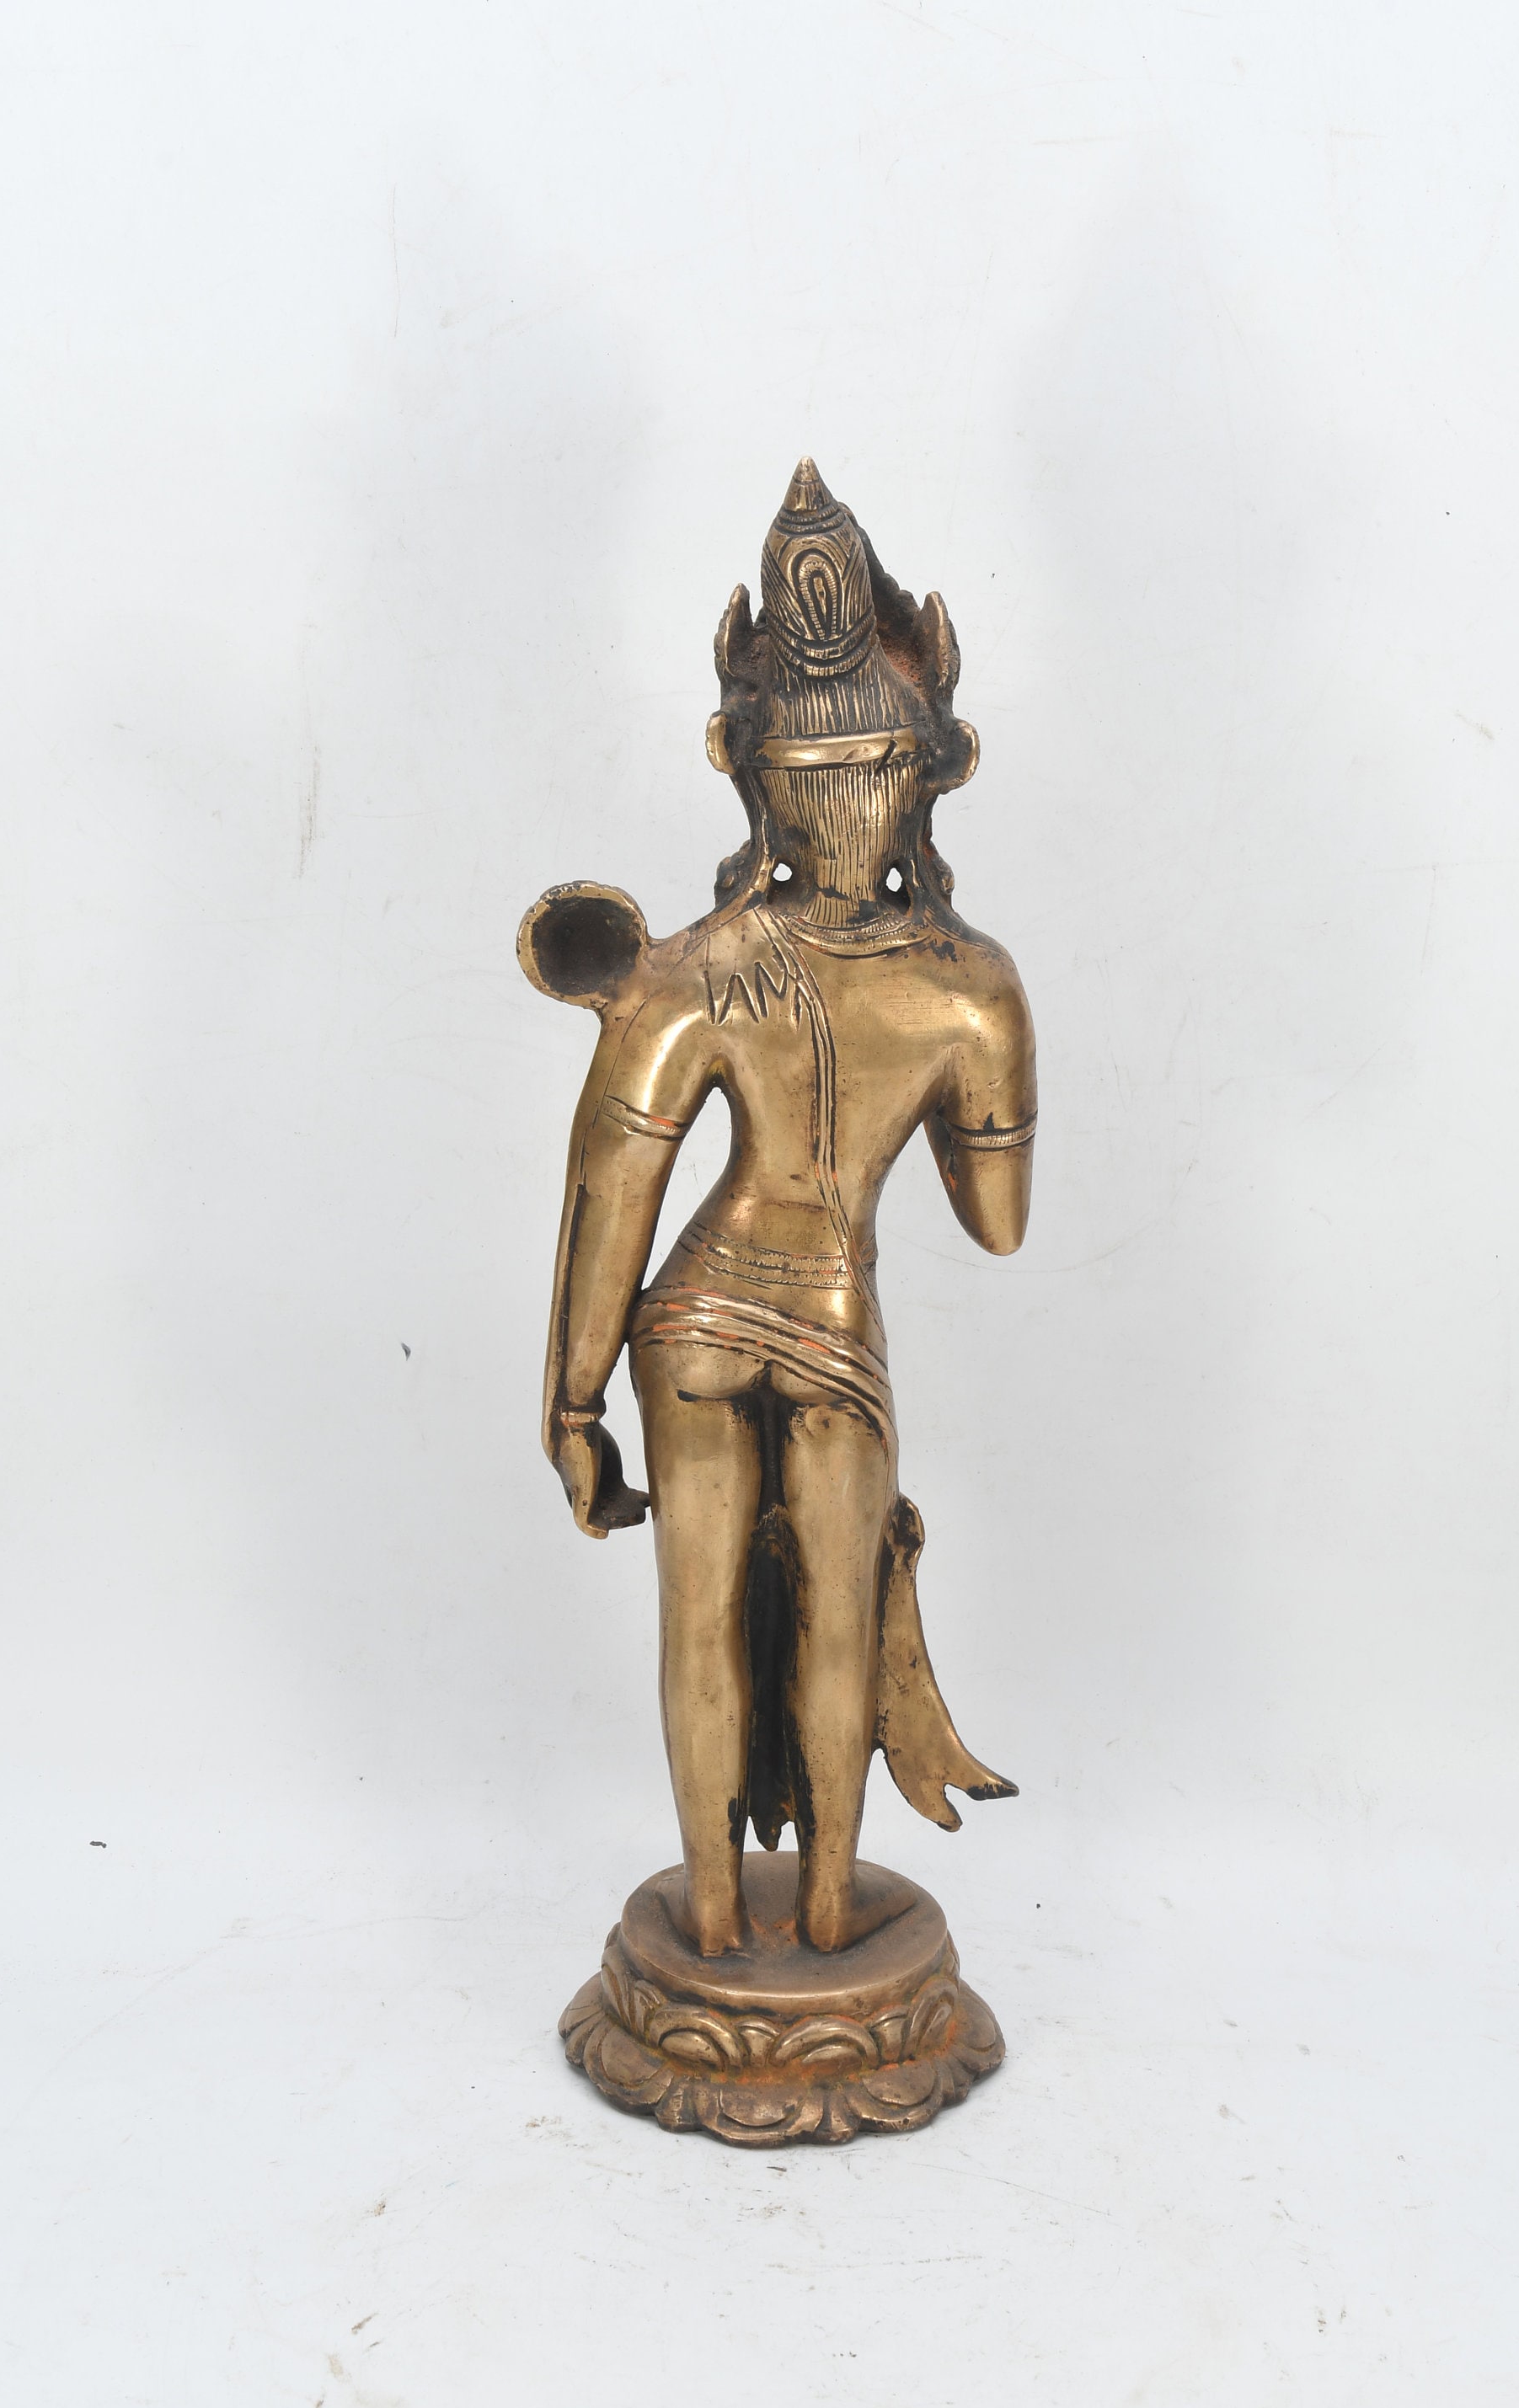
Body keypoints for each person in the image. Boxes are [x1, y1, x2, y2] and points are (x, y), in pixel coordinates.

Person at [523, 460, 1036, 1957]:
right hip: (831, 1319)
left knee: (696, 1617)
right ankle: (821, 1908)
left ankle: (706, 1912)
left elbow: (613, 1186)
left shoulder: (694, 967)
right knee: (835, 1615)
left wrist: (570, 1403)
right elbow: (998, 1222)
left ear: (743, 769)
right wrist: (957, 1087)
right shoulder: (971, 985)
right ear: (938, 764)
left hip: (688, 1323)